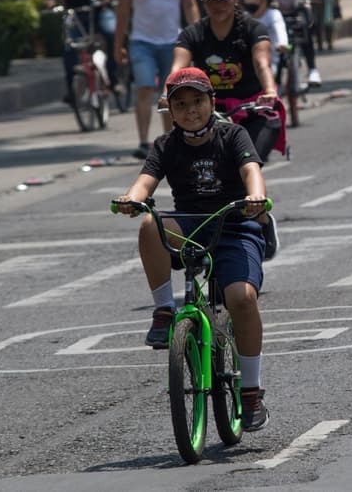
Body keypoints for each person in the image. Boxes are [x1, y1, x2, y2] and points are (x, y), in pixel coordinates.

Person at [113, 66, 270, 432]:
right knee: (150, 221)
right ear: (171, 111)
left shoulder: (233, 134)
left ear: (211, 102)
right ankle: (165, 312)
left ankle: (250, 391)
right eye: (180, 105)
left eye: (197, 102)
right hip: (190, 227)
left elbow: (251, 170)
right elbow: (144, 183)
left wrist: (255, 196)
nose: (190, 111)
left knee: (242, 298)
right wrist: (131, 200)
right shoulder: (166, 145)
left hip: (235, 224)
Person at [174, 0, 283, 169]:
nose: (217, 6)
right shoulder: (192, 33)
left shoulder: (254, 29)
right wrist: (168, 92)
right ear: (203, 3)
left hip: (254, 111)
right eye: (211, 0)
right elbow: (177, 68)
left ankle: (254, 198)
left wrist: (269, 91)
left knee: (248, 166)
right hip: (212, 114)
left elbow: (262, 63)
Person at [114, 0, 200, 159]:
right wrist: (118, 45)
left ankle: (170, 140)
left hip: (174, 42)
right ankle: (143, 142)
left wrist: (198, 37)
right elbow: (122, 14)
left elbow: (190, 5)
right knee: (144, 88)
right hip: (142, 42)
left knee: (170, 92)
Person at [243, 0, 290, 76]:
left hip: (269, 61)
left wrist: (282, 44)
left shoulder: (273, 15)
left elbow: (280, 30)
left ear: (263, 1)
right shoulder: (244, 16)